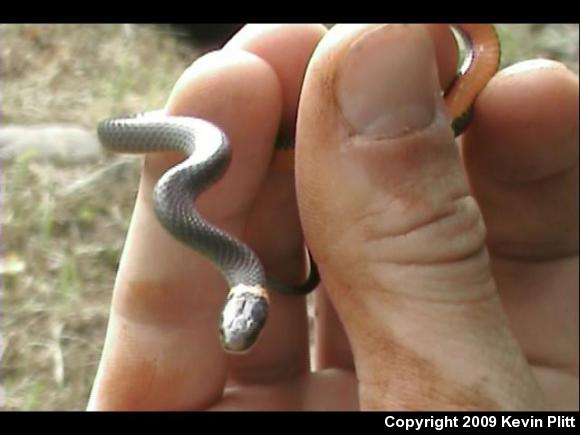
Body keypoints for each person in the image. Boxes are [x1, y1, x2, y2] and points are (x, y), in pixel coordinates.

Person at [87, 24, 579, 411]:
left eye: (233, 329)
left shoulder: (188, 202)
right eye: (241, 332)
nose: (237, 337)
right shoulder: (192, 206)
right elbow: (111, 133)